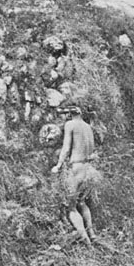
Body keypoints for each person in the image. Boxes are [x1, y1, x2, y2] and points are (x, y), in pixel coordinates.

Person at [51, 104, 101, 246]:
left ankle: (85, 239)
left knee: (71, 207)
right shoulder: (88, 127)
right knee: (82, 202)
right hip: (89, 169)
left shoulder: (70, 124)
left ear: (69, 114)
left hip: (77, 167)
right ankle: (92, 233)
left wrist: (58, 165)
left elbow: (66, 148)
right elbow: (91, 151)